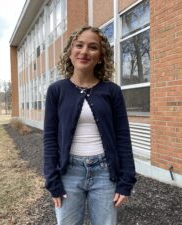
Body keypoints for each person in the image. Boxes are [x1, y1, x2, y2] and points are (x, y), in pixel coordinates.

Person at [43, 26, 136, 225]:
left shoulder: (112, 91)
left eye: (93, 47)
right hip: (68, 173)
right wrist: (52, 181)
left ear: (100, 57)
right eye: (79, 45)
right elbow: (50, 138)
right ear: (70, 52)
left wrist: (125, 181)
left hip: (105, 173)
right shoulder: (56, 91)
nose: (84, 51)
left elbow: (122, 137)